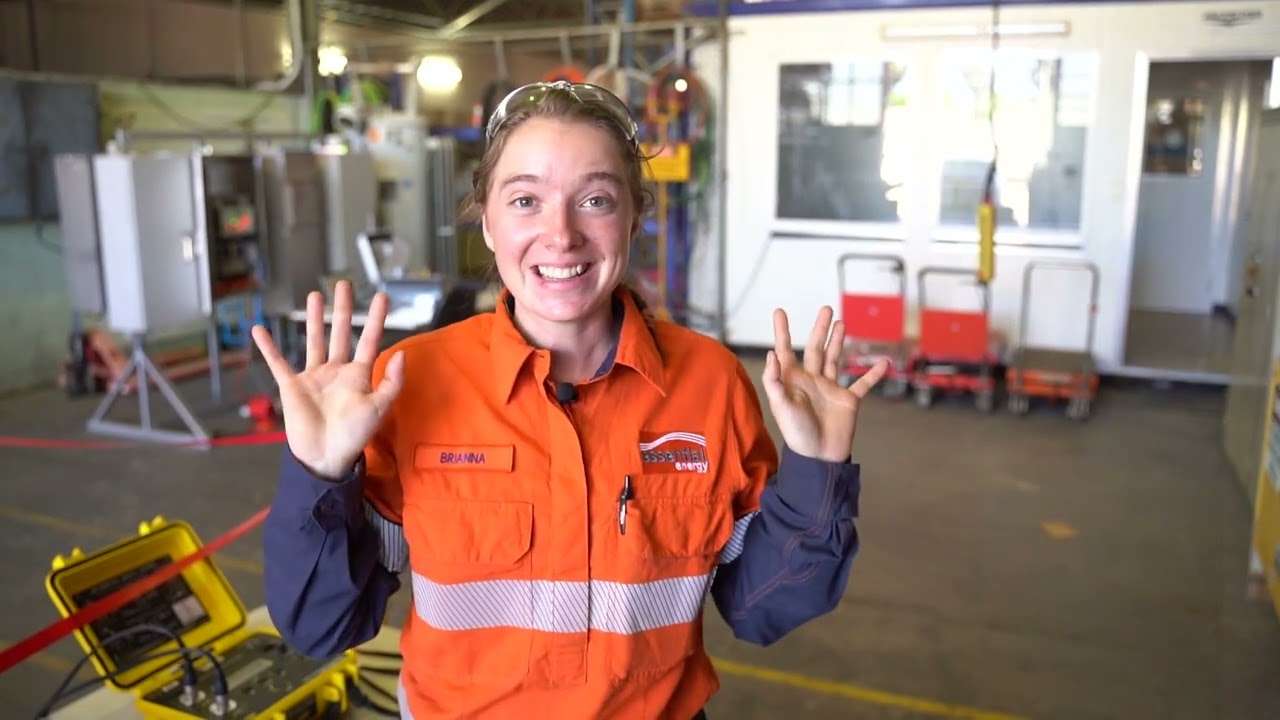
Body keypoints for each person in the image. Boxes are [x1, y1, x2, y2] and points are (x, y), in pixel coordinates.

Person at [252, 81, 887, 720]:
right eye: (525, 199)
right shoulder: (410, 380)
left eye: (595, 199)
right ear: (488, 223)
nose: (561, 235)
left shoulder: (710, 383)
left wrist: (816, 467)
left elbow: (761, 608)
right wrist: (320, 475)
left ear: (634, 218)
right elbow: (323, 627)